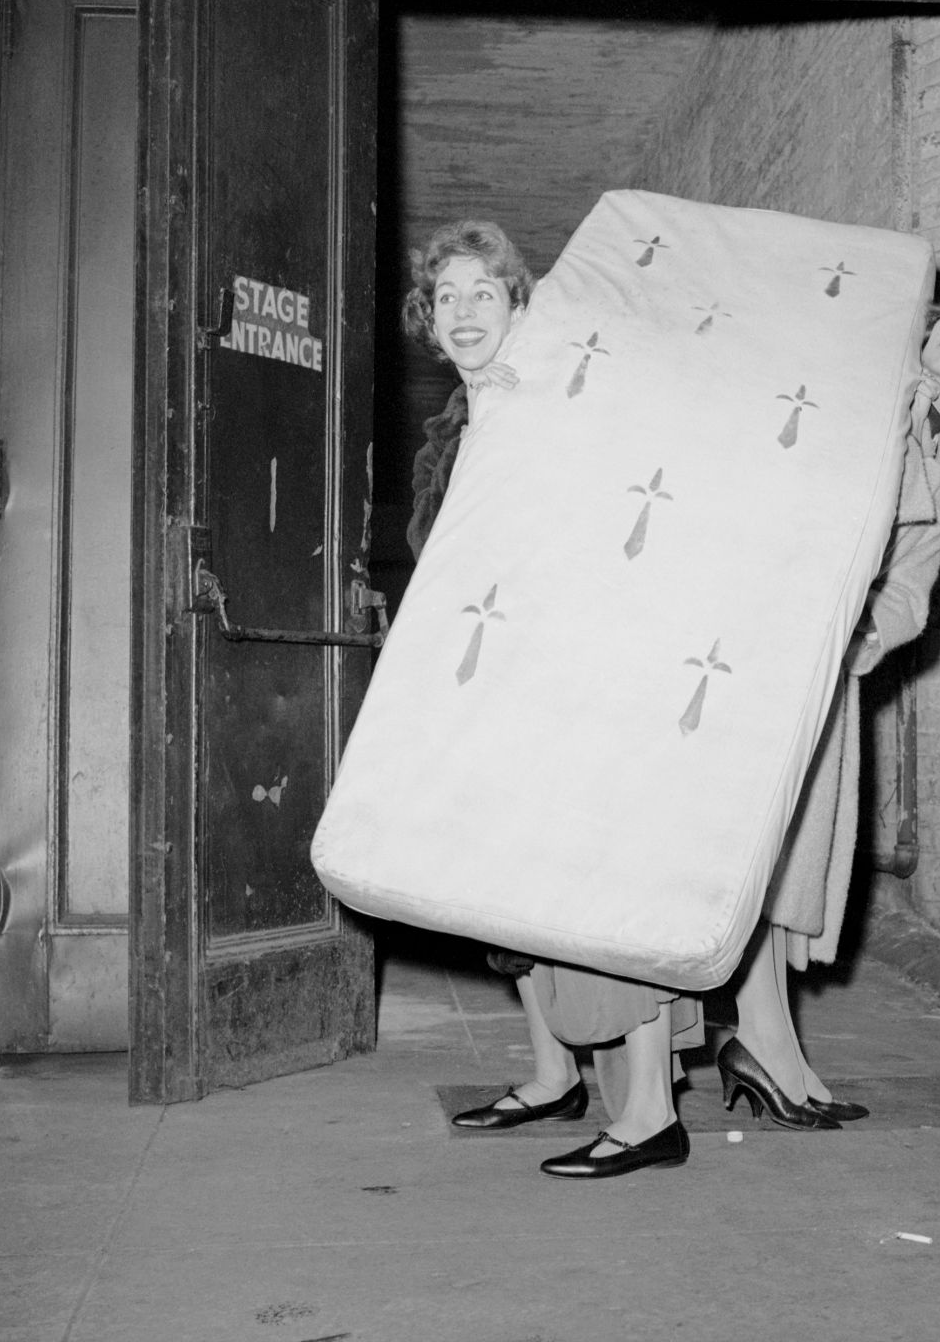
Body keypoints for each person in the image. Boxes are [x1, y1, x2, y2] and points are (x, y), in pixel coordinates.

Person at [401, 218, 701, 1179]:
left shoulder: (571, 397)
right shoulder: (451, 428)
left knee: (609, 884)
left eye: (484, 292)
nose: (464, 311)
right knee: (508, 891)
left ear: (520, 306)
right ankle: (550, 1073)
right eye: (447, 296)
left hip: (583, 675)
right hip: (494, 682)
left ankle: (652, 1111)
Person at [717, 274, 940, 1129]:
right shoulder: (860, 391)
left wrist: (868, 640)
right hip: (760, 644)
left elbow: (912, 586)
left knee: (789, 857)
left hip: (827, 667)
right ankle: (763, 1043)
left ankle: (766, 1039)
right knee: (751, 848)